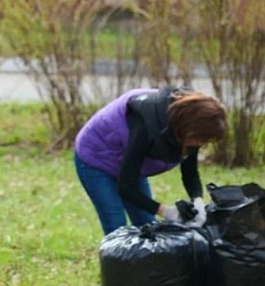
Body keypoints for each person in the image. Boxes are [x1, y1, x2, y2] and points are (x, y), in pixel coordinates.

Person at [74, 86, 227, 236]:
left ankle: (143, 262)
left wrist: (198, 201)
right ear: (188, 128)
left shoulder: (188, 127)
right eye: (200, 139)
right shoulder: (147, 126)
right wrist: (168, 212)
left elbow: (190, 172)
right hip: (96, 157)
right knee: (116, 227)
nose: (200, 144)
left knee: (147, 224)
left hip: (129, 159)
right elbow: (127, 187)